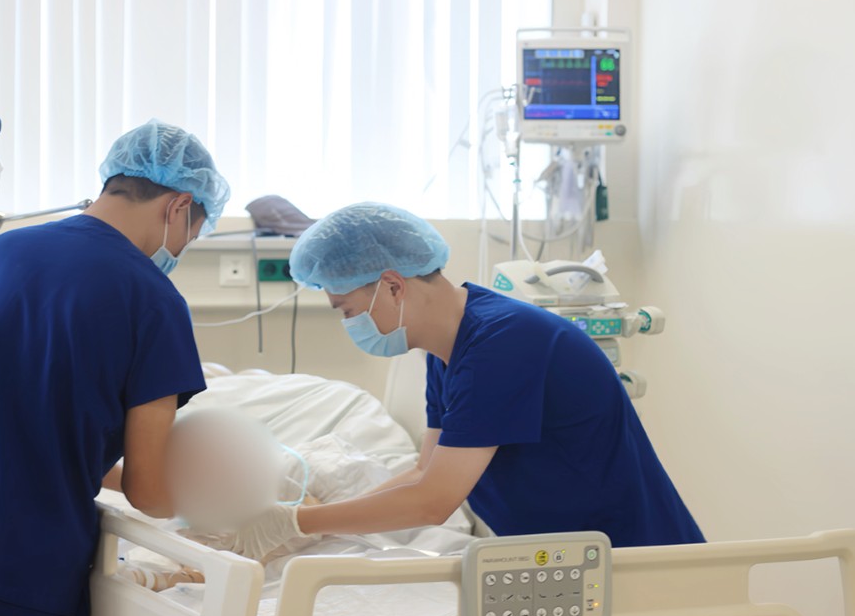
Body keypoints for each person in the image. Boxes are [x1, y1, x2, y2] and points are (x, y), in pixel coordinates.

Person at [0, 119, 230, 616]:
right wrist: (217, 500)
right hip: (18, 567)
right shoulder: (154, 301)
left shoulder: (1, 253)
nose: (177, 253)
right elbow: (149, 491)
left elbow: (32, 428)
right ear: (179, 206)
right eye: (189, 238)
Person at [230, 202, 704, 562]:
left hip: (635, 561)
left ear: (392, 286)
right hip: (567, 560)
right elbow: (423, 472)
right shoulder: (448, 351)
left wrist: (297, 522)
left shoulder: (503, 343)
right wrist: (305, 524)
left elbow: (432, 501)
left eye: (348, 310)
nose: (349, 324)